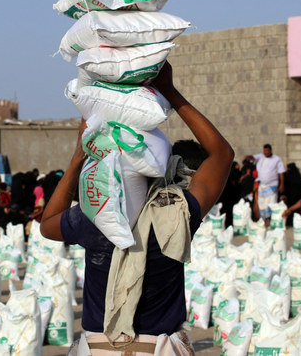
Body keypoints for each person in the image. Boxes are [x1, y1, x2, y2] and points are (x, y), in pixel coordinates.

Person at [40, 61, 234, 354]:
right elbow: (222, 154)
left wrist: (79, 154)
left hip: (98, 348)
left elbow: (47, 223)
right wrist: (170, 91)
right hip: (154, 348)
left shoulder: (94, 218)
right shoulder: (178, 214)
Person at [245, 144, 285, 225]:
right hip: (262, 186)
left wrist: (282, 184)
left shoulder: (277, 159)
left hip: (272, 186)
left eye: (267, 151)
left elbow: (281, 172)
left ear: (271, 151)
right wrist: (248, 157)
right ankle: (263, 220)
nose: (266, 153)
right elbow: (253, 158)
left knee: (271, 204)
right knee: (262, 203)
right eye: (264, 151)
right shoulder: (261, 157)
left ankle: (271, 221)